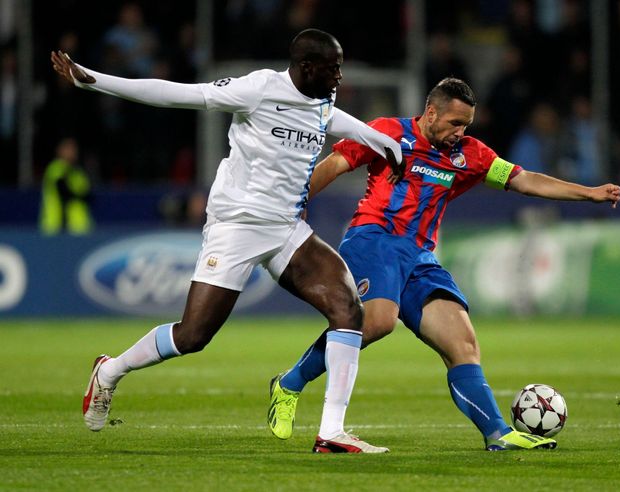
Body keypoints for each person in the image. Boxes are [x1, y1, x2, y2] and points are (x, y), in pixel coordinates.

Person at [51, 28, 405, 454]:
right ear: (306, 67)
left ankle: (331, 432)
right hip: (236, 225)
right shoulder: (257, 89)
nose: (339, 76)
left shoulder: (321, 100)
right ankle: (110, 371)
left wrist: (382, 141)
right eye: (333, 68)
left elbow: (334, 120)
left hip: (286, 227)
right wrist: (97, 79)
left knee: (348, 307)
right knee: (194, 336)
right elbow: (175, 93)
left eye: (340, 67)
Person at [268, 77, 620, 451]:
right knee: (376, 322)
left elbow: (523, 180)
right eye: (455, 123)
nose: (460, 132)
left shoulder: (470, 155)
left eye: (466, 124)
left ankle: (498, 433)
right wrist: (298, 202)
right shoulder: (388, 132)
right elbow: (337, 163)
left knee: (463, 343)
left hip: (420, 257)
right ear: (431, 112)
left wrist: (588, 193)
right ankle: (289, 383)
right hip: (374, 239)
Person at [39, 137, 94, 235]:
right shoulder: (55, 169)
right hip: (56, 227)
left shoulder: (79, 172)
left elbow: (89, 196)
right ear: (59, 150)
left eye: (74, 149)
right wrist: (80, 195)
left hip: (79, 228)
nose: (72, 152)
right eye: (68, 149)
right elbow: (64, 192)